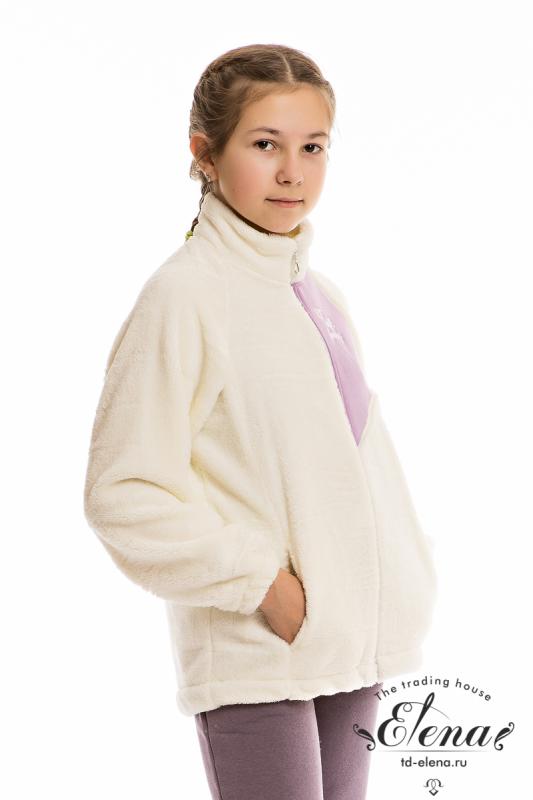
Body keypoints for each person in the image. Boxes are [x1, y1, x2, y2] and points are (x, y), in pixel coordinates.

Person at [83, 43, 438, 800]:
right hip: (260, 654)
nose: (292, 173)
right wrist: (262, 585)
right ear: (205, 154)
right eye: (265, 145)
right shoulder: (185, 296)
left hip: (350, 647)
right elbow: (123, 491)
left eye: (313, 147)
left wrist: (396, 581)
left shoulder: (320, 296)